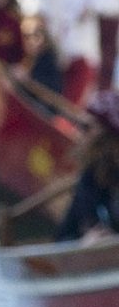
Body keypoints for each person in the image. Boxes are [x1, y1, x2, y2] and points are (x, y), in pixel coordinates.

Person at [57, 93, 119, 241]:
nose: (78, 132)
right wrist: (83, 243)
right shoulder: (89, 178)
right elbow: (62, 238)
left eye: (86, 127)